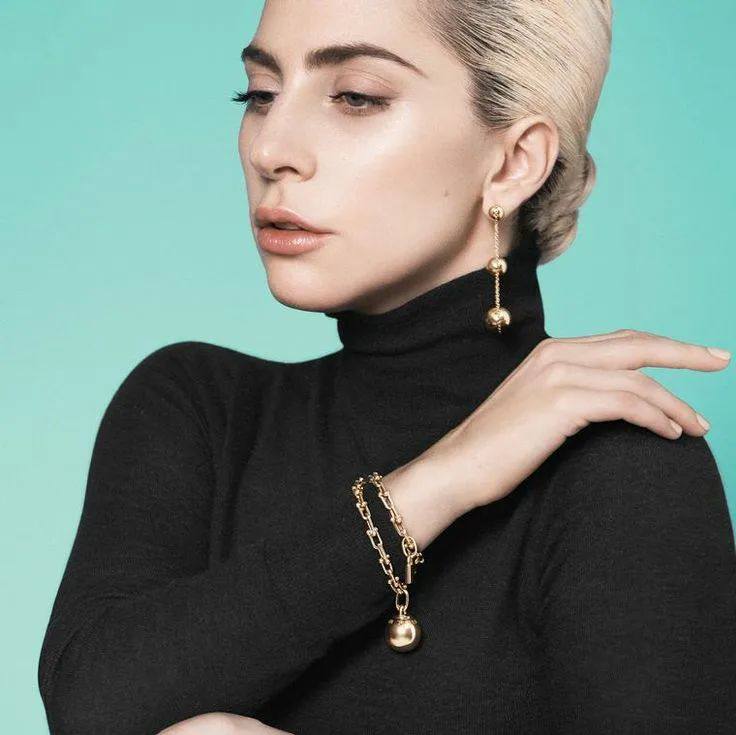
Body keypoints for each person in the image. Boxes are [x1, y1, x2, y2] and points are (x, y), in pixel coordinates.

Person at [38, 1, 736, 733]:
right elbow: (92, 707)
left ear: (513, 163)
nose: (270, 148)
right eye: (259, 94)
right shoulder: (200, 410)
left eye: (355, 96)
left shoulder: (620, 461)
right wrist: (437, 482)